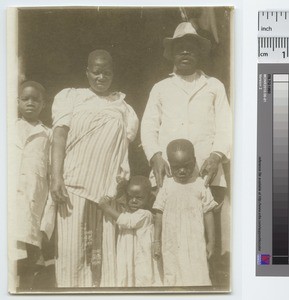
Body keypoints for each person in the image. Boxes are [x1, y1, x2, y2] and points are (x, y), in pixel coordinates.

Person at [50, 50, 139, 287]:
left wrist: (118, 183)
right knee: (71, 254)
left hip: (105, 192)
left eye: (106, 72)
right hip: (73, 184)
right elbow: (59, 137)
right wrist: (56, 176)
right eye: (96, 72)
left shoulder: (123, 106)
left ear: (113, 73)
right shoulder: (71, 97)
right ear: (87, 72)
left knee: (103, 256)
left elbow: (123, 149)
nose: (101, 77)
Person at [141, 22, 231, 190]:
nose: (185, 52)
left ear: (199, 52)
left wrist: (216, 156)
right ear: (172, 54)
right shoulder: (161, 88)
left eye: (191, 48)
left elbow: (225, 126)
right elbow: (148, 127)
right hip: (168, 171)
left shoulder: (214, 86)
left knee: (207, 215)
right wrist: (155, 157)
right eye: (179, 48)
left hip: (206, 171)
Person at [153, 139, 217, 286]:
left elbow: (208, 213)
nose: (182, 171)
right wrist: (156, 241)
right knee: (172, 273)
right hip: (171, 241)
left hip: (195, 241)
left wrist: (211, 242)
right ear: (169, 164)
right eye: (176, 167)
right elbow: (158, 215)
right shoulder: (166, 186)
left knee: (197, 272)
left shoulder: (201, 185)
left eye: (186, 166)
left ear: (194, 161)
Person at [14, 81, 51, 290]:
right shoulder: (8, 129)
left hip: (31, 214)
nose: (30, 103)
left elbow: (52, 178)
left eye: (36, 100)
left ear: (44, 104)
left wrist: (46, 225)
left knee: (27, 269)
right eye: (25, 99)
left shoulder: (47, 135)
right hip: (9, 212)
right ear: (18, 101)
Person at [99, 176, 162, 287]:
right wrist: (121, 184)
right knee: (128, 277)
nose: (133, 201)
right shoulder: (128, 211)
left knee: (142, 278)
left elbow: (126, 221)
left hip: (141, 254)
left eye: (139, 198)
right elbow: (120, 200)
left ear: (147, 198)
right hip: (129, 253)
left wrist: (106, 208)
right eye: (130, 197)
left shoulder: (145, 214)